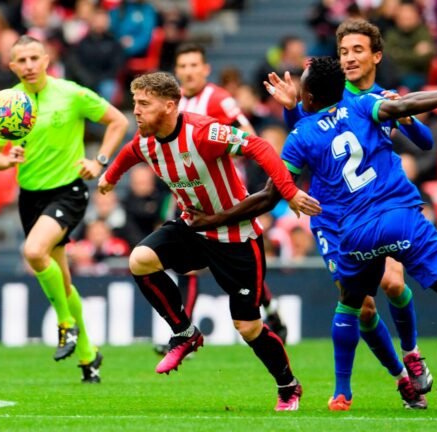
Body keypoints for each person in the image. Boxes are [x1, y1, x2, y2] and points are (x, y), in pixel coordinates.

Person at [210, 57, 437, 413]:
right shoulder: (365, 104)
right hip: (400, 218)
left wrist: (212, 220)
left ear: (306, 97)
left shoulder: (298, 137)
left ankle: (342, 393)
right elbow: (405, 105)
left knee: (351, 303)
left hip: (353, 235)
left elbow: (267, 196)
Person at [97, 72, 320, 411]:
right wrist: (110, 178)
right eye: (135, 103)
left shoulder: (202, 132)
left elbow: (257, 145)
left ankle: (288, 385)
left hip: (237, 237)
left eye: (144, 104)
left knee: (248, 327)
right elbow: (129, 153)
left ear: (170, 105)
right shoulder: (146, 140)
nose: (136, 111)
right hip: (192, 227)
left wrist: (288, 192)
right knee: (139, 259)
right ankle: (185, 332)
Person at [263, 19, 435, 409]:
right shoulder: (326, 95)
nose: (349, 58)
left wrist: (405, 115)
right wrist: (292, 109)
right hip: (331, 216)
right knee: (363, 305)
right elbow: (308, 137)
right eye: (343, 52)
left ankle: (412, 352)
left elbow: (426, 142)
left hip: (377, 207)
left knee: (392, 283)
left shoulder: (380, 100)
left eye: (357, 50)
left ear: (375, 55)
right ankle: (400, 378)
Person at [0, 35, 129, 383]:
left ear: (47, 59)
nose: (29, 65)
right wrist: (7, 161)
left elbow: (118, 122)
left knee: (34, 252)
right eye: (22, 60)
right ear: (12, 66)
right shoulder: (6, 104)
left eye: (35, 57)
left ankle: (65, 324)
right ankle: (89, 356)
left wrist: (100, 162)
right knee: (62, 279)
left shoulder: (72, 94)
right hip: (30, 196)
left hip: (68, 191)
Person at [172, 42, 288, 345]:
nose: (188, 72)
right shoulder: (174, 103)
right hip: (189, 197)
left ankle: (269, 307)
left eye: (193, 65)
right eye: (182, 66)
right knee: (187, 264)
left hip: (224, 197)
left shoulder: (219, 99)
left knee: (238, 262)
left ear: (205, 69)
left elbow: (247, 136)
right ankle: (185, 330)